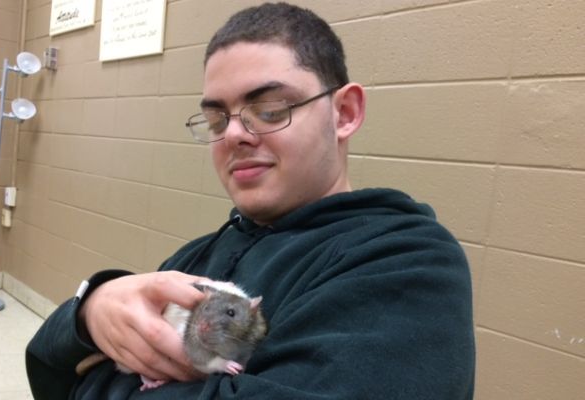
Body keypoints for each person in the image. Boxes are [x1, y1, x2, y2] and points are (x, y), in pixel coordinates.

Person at [26, 2, 475, 399]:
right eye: (217, 118)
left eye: (270, 110)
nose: (234, 134)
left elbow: (82, 382)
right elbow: (47, 367)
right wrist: (89, 313)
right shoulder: (201, 253)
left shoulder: (406, 262)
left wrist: (102, 380)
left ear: (344, 114)